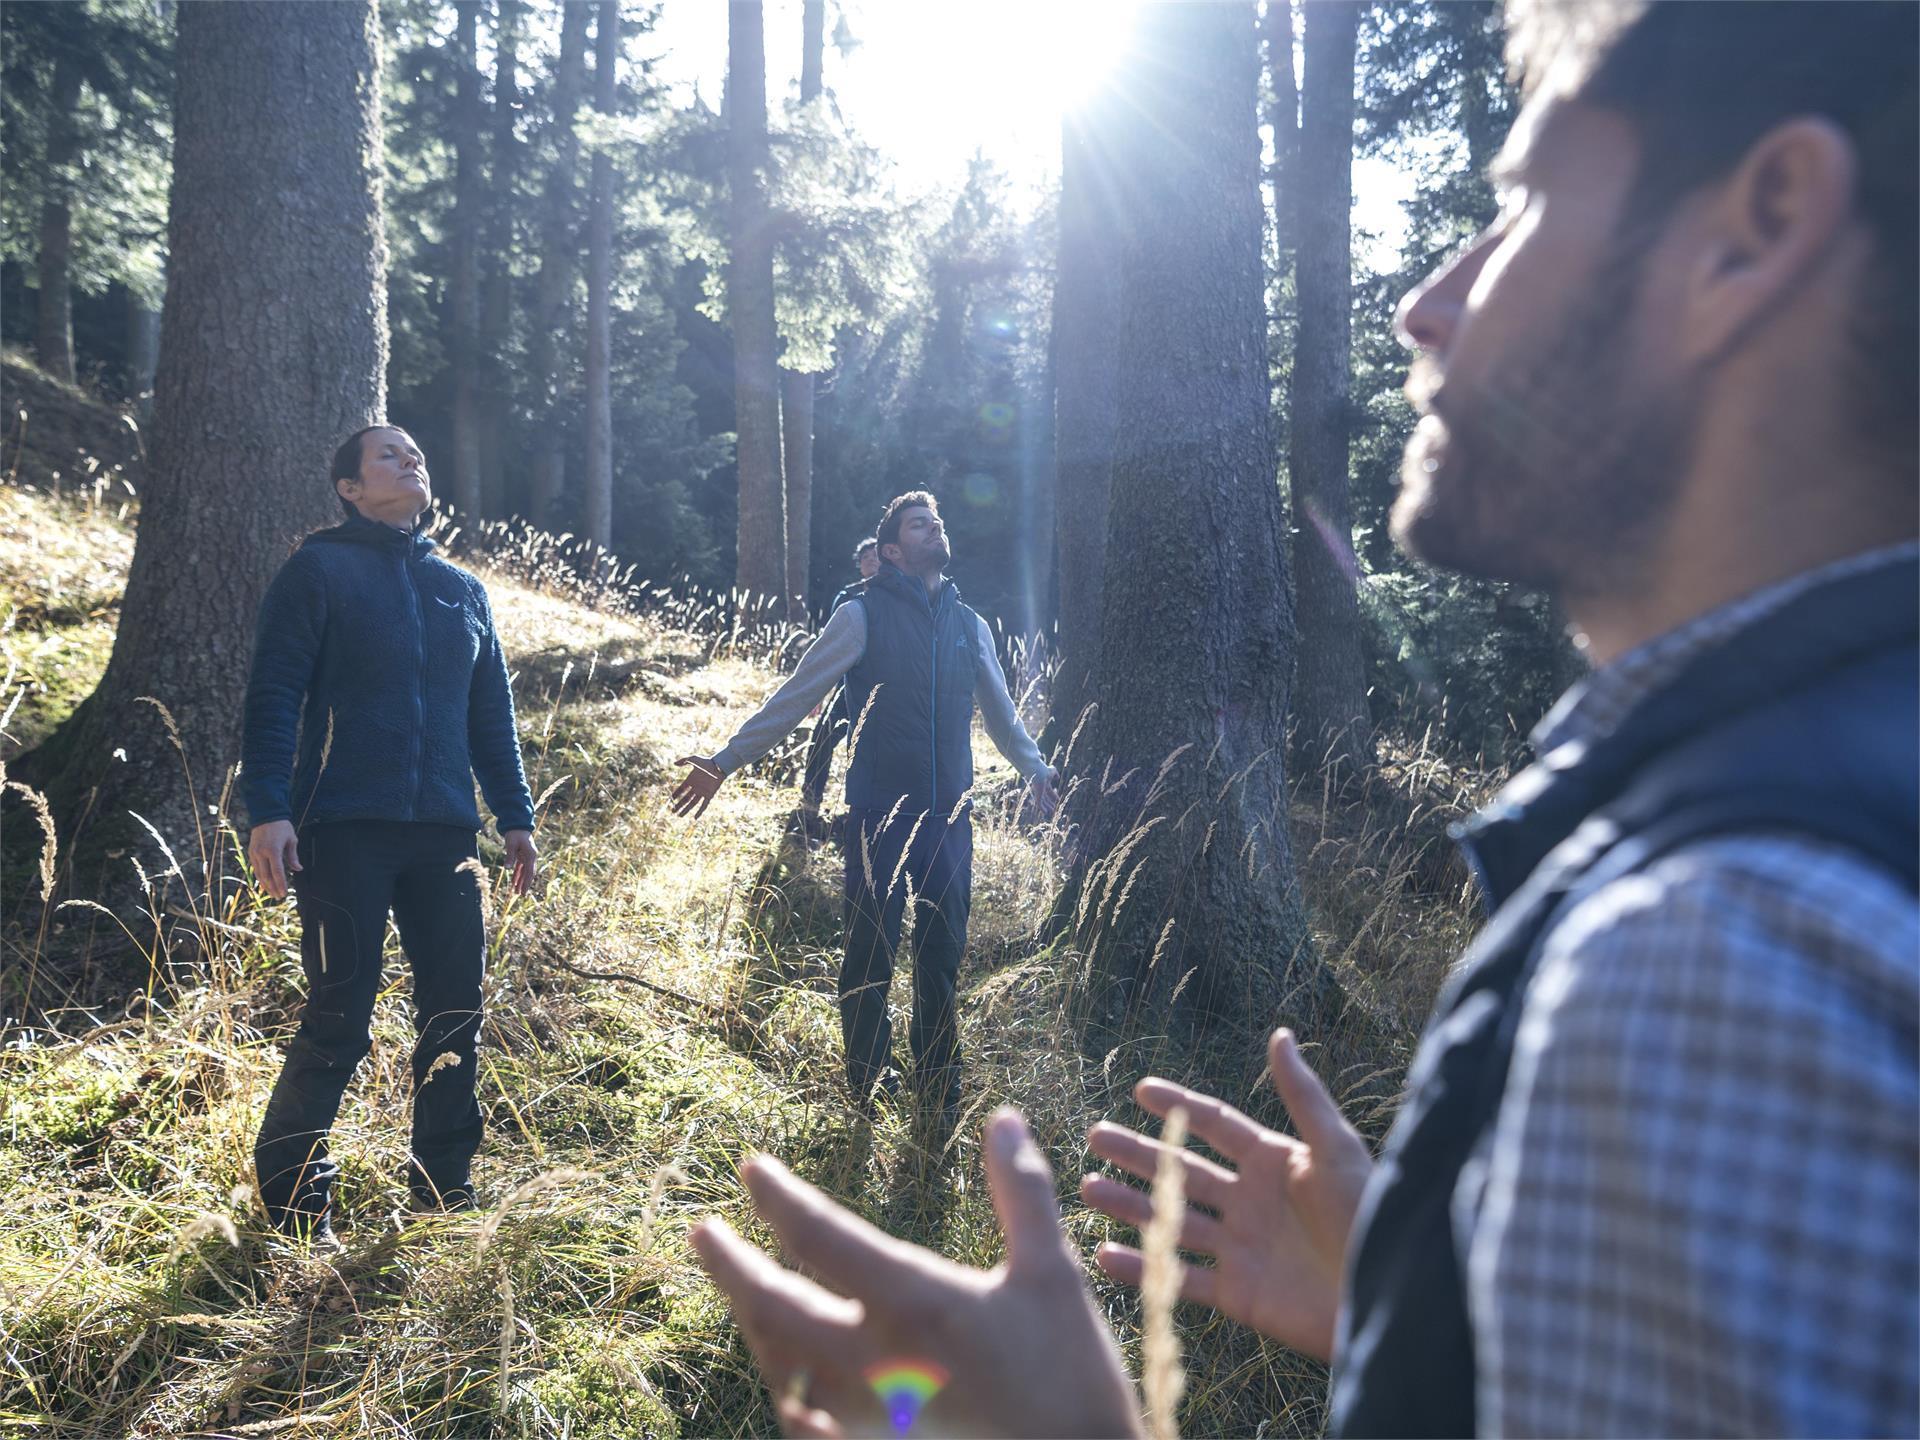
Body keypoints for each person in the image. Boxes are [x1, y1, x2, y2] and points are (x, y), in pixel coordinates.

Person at [690, 2, 1918, 1434]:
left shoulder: (1719, 952)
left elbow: (999, 725)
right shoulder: (1835, 813)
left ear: (1758, 227)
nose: (1427, 300)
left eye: (1516, 206)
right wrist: (1431, 1321)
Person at [673, 493, 1057, 1123]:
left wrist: (1038, 769)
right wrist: (724, 762)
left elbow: (1003, 719)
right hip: (878, 815)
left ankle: (937, 1096)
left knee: (941, 960)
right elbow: (794, 697)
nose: (935, 528)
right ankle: (867, 1091)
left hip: (949, 820)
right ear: (891, 551)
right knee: (869, 955)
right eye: (918, 524)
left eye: (938, 520)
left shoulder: (972, 626)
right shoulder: (861, 615)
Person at [243, 424, 538, 1245]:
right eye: (386, 454)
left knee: (455, 1014)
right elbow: (273, 697)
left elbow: (492, 719)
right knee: (341, 1011)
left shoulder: (463, 590)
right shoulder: (318, 571)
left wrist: (514, 817)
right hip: (344, 829)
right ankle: (297, 1205)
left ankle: (443, 1193)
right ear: (349, 488)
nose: (410, 458)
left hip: (445, 833)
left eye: (415, 451)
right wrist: (268, 806)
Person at [796, 537, 881, 826]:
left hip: (885, 685)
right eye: (866, 556)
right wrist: (818, 693)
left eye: (876, 555)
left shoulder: (898, 595)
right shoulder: (848, 596)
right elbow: (829, 649)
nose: (872, 560)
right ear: (859, 564)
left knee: (867, 748)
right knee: (823, 736)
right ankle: (810, 802)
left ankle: (862, 813)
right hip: (848, 683)